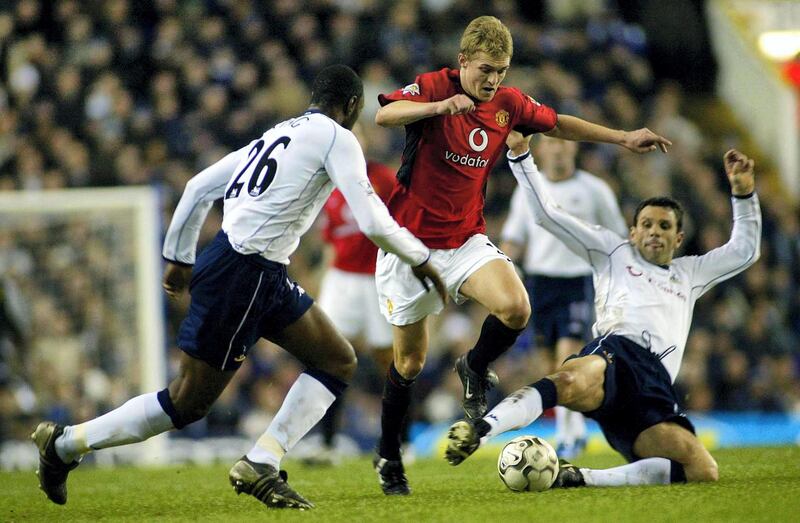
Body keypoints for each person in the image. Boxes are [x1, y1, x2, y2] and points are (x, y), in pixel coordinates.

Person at [31, 64, 447, 511]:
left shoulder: (276, 134)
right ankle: (64, 445)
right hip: (242, 273)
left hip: (259, 271)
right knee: (187, 402)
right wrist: (419, 256)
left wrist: (178, 258)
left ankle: (262, 460)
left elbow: (197, 187)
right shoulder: (337, 137)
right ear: (350, 107)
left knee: (336, 360)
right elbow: (370, 218)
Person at [372, 15, 671, 495]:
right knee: (408, 364)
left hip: (465, 240)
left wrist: (622, 137)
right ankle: (388, 456)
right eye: (485, 69)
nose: (493, 81)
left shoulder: (507, 104)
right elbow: (384, 115)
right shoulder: (433, 86)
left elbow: (559, 124)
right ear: (463, 61)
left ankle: (473, 366)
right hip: (409, 247)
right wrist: (437, 108)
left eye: (502, 72)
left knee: (516, 308)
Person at [445, 133, 761, 489]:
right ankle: (483, 428)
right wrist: (521, 157)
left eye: (664, 226)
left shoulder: (690, 273)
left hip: (654, 385)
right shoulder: (613, 252)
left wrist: (743, 192)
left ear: (678, 238)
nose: (654, 232)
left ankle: (578, 477)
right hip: (616, 353)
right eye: (646, 225)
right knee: (567, 379)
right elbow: (548, 214)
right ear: (632, 232)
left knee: (701, 470)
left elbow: (744, 252)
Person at [499, 136, 627, 458]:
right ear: (540, 149)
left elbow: (618, 239)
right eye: (552, 143)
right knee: (547, 366)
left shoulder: (594, 189)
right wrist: (502, 267)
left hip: (579, 280)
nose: (558, 148)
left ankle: (570, 435)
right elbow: (514, 237)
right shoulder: (529, 188)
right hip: (540, 283)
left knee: (567, 359)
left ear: (574, 148)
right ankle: (572, 431)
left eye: (564, 143)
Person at [310, 122, 399, 463]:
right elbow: (332, 242)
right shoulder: (329, 184)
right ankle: (328, 443)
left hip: (378, 278)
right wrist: (321, 280)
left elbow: (401, 225)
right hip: (341, 280)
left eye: (356, 133)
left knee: (388, 360)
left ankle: (399, 439)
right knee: (329, 357)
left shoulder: (384, 179)